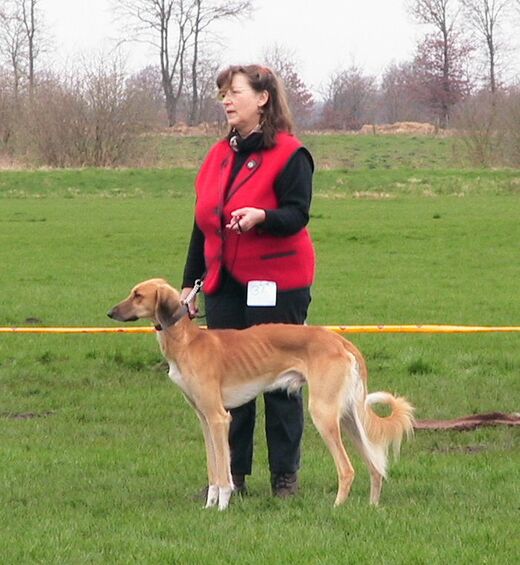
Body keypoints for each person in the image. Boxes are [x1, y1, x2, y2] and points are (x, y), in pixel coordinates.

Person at [180, 64, 316, 498]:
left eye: (234, 92)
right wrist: (190, 283)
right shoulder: (218, 155)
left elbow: (297, 214)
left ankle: (285, 478)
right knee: (223, 382)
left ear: (262, 99)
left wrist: (263, 217)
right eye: (223, 93)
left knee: (280, 385)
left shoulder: (291, 154)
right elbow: (203, 224)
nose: (226, 100)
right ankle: (231, 477)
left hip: (278, 281)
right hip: (225, 283)